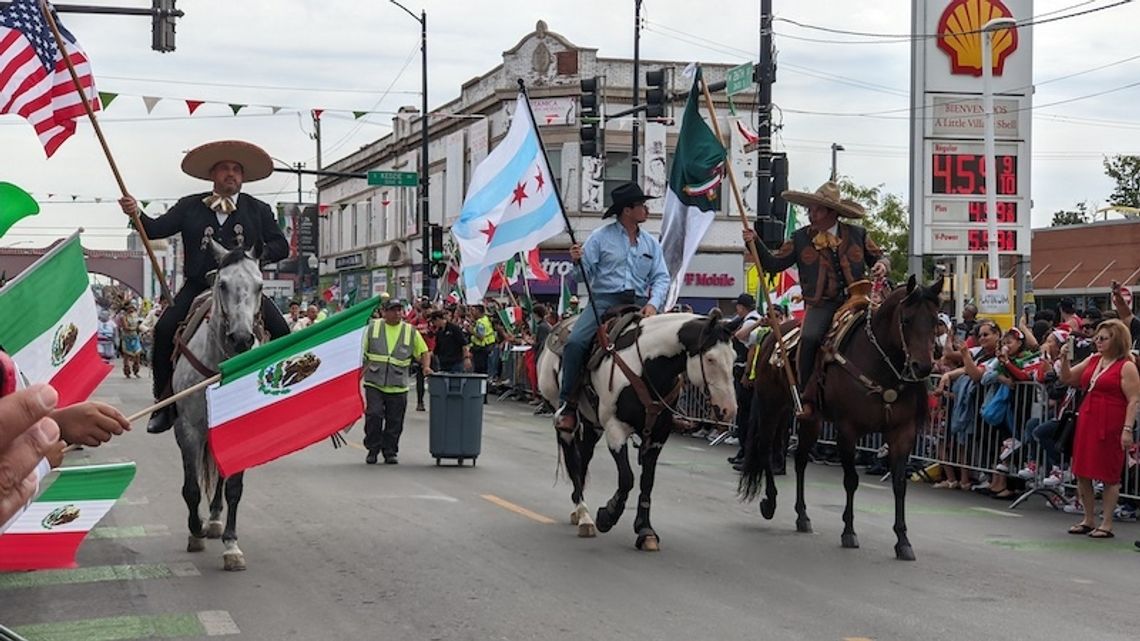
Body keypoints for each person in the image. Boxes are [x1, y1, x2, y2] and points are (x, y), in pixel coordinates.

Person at [118, 140, 291, 434]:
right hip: (200, 285)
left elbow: (281, 245)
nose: (231, 174)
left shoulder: (258, 209)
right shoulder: (189, 206)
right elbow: (155, 229)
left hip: (243, 288)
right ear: (213, 174)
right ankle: (165, 403)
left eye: (236, 170)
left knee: (282, 331)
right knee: (162, 331)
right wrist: (136, 214)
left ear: (243, 177)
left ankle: (280, 399)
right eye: (225, 168)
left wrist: (254, 256)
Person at [745, 181, 889, 419]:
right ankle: (806, 396)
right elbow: (774, 263)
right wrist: (754, 243)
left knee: (889, 330)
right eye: (809, 210)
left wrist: (882, 266)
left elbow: (879, 257)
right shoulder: (800, 238)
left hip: (858, 299)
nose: (811, 214)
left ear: (831, 213)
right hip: (822, 304)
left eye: (816, 210)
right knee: (810, 337)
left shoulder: (858, 234)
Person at [556, 182, 670, 432]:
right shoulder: (600, 237)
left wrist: (653, 304)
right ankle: (568, 403)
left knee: (666, 346)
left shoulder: (651, 243)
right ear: (627, 210)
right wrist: (578, 262)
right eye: (641, 205)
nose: (646, 210)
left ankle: (667, 405)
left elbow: (661, 277)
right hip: (604, 300)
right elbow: (583, 276)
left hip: (639, 303)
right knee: (575, 343)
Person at [1059, 318, 1139, 539]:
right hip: (1088, 417)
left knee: (1109, 474)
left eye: (1103, 338)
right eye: (1097, 338)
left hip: (1111, 421)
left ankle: (1107, 522)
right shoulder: (1094, 359)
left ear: (1116, 340)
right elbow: (1067, 378)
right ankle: (1088, 518)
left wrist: (1127, 428)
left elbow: (1134, 399)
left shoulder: (1127, 365)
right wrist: (1064, 359)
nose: (1098, 342)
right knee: (1082, 470)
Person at [362, 300, 432, 465]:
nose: (397, 313)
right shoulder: (373, 328)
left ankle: (390, 451)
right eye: (393, 310)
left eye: (400, 310)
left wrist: (426, 367)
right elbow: (361, 351)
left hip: (398, 384)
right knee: (374, 415)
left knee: (395, 421)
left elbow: (423, 351)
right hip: (374, 382)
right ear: (384, 312)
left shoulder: (410, 331)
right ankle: (373, 449)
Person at [468, 303, 496, 377]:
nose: (473, 313)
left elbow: (481, 336)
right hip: (487, 346)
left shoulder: (481, 322)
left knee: (480, 371)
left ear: (478, 311)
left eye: (474, 311)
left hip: (481, 349)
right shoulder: (485, 319)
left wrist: (472, 331)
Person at [118, 302, 144, 378]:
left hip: (135, 337)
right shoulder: (123, 317)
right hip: (127, 338)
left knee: (137, 355)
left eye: (133, 308)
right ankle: (127, 371)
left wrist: (140, 327)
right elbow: (125, 327)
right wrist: (135, 328)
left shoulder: (135, 315)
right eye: (130, 308)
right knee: (126, 355)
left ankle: (136, 370)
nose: (132, 309)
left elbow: (139, 324)